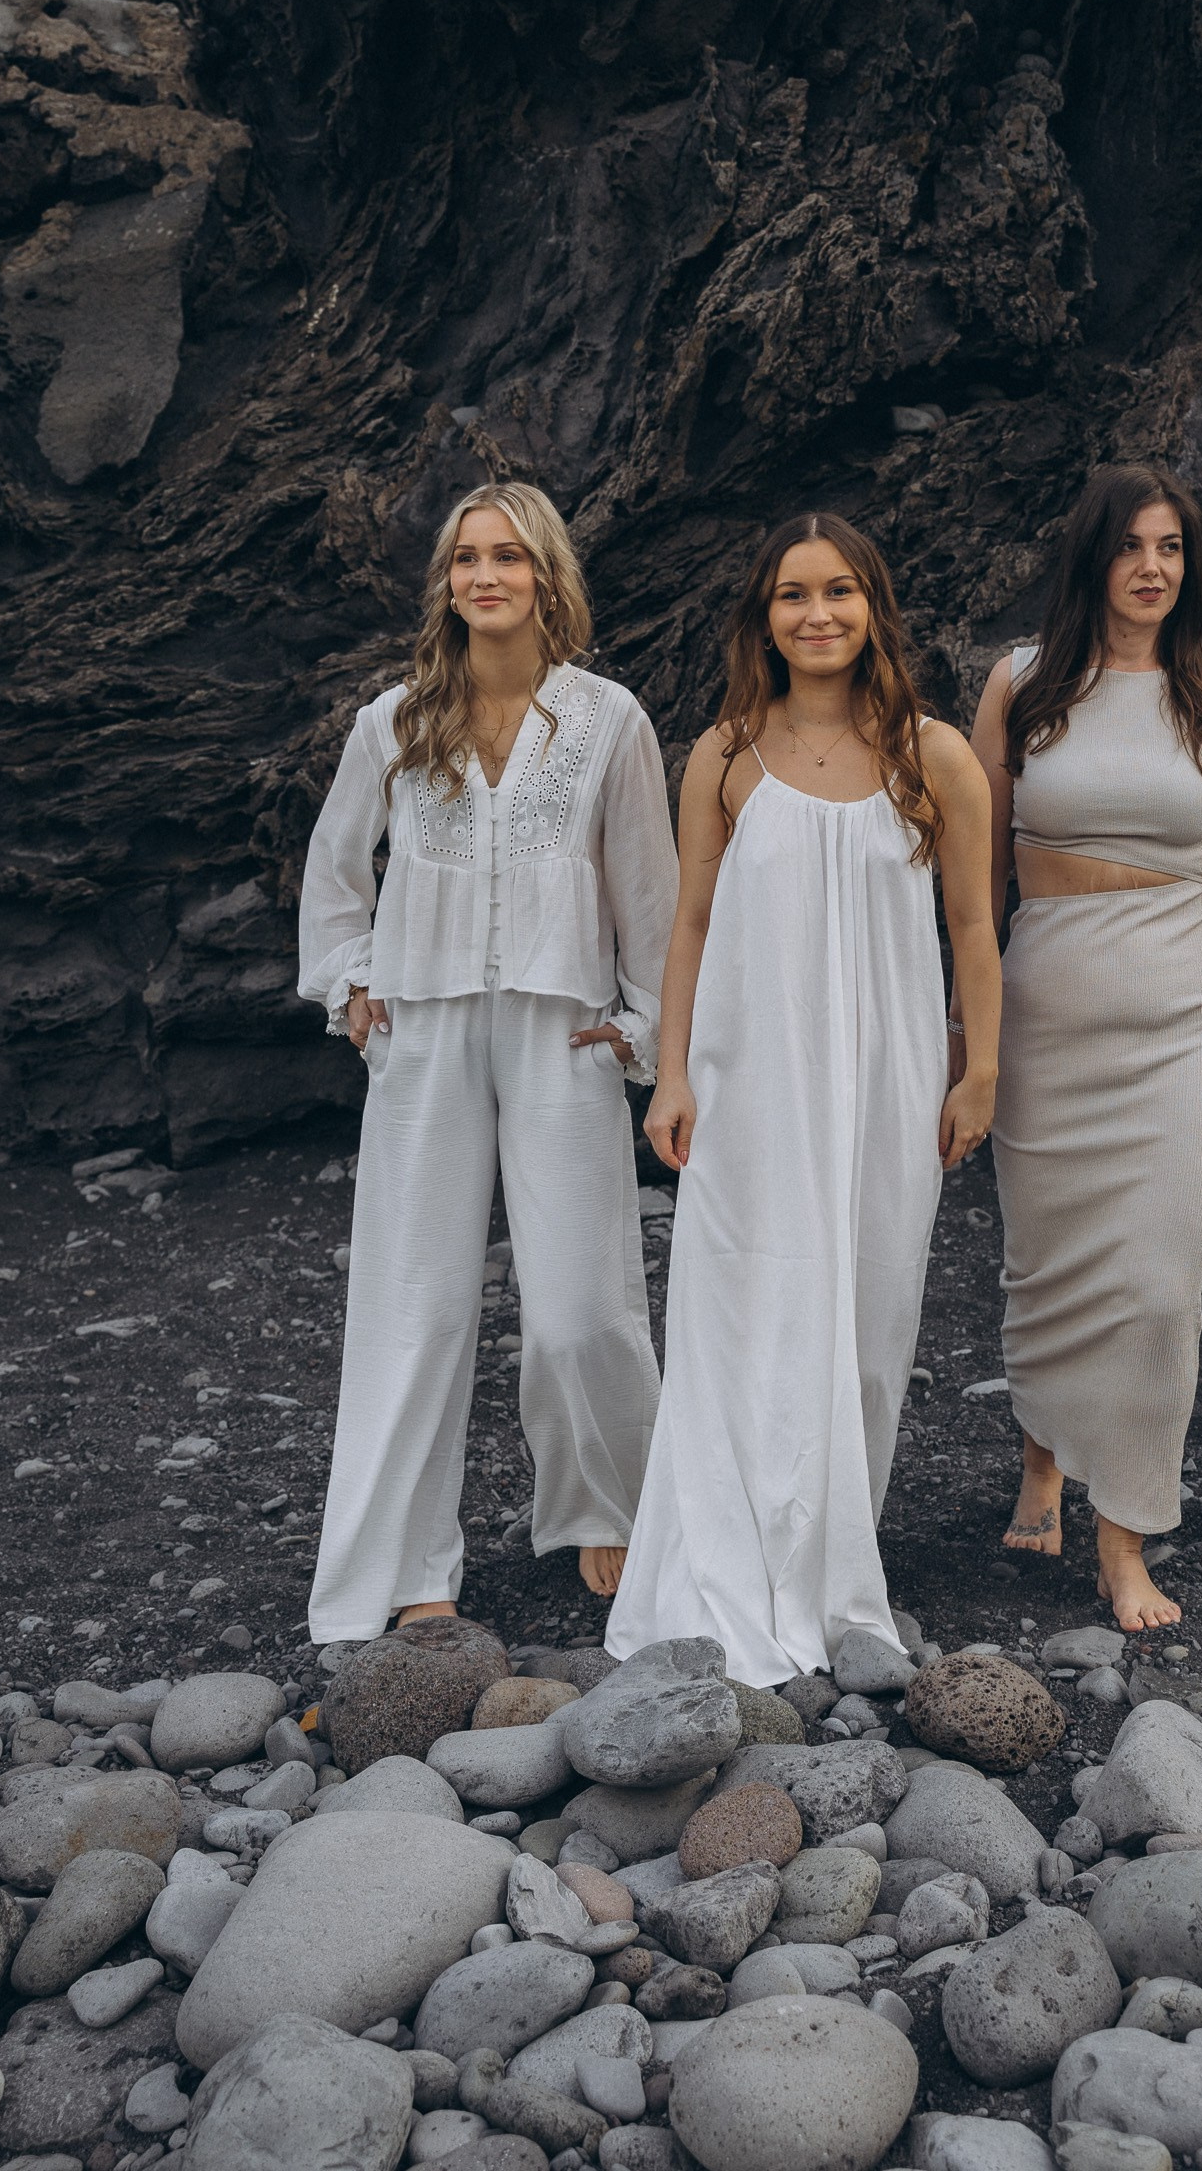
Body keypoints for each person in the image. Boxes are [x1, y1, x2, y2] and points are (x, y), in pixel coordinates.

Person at [605, 511, 1000, 1685]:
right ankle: (724, 1564)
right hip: (749, 1074)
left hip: (885, 1074)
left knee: (870, 1318)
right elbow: (685, 926)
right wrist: (670, 1073)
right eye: (791, 595)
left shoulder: (934, 756)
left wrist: (978, 1067)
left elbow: (974, 923)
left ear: (873, 607)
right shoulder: (723, 754)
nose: (815, 615)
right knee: (742, 1311)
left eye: (838, 593)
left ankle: (830, 1562)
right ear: (762, 617)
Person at [297, 479, 677, 1641]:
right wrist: (351, 981)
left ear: (546, 576)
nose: (485, 576)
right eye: (466, 558)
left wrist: (645, 1024)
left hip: (562, 1025)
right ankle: (408, 1558)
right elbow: (334, 871)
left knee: (581, 1305)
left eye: (508, 557)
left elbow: (647, 886)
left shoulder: (608, 719)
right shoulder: (395, 719)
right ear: (447, 582)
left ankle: (607, 1501)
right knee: (415, 1300)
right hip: (426, 1025)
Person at [967, 462, 1202, 1634]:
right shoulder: (1019, 684)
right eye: (1130, 548)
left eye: (1169, 548)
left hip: (1183, 1014)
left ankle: (1124, 1542)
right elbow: (975, 874)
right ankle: (1042, 1459)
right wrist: (965, 1028)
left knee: (1158, 1287)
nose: (1152, 568)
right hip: (1045, 1004)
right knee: (1046, 1265)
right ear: (1091, 559)